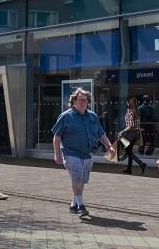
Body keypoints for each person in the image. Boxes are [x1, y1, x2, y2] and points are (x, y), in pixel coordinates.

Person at [52, 88, 115, 217]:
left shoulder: (92, 116)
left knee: (81, 180)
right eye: (79, 100)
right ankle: (81, 205)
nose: (82, 103)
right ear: (74, 101)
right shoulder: (66, 116)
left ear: (88, 102)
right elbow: (56, 137)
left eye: (85, 100)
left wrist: (109, 146)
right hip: (71, 153)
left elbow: (101, 133)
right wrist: (57, 154)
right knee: (77, 176)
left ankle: (74, 204)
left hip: (87, 154)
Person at [119, 96, 147, 175]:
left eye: (128, 101)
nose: (127, 102)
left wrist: (122, 131)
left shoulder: (131, 111)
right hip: (135, 133)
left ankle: (141, 164)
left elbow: (131, 125)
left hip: (130, 133)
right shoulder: (137, 110)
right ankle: (129, 168)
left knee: (128, 151)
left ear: (130, 102)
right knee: (129, 151)